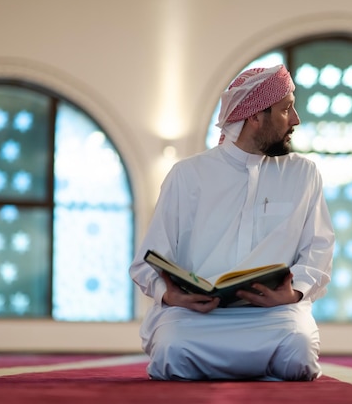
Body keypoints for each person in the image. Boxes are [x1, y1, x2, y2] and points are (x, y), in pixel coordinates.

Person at [129, 64, 335, 381]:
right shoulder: (187, 175)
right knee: (172, 350)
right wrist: (171, 296)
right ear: (255, 117)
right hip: (196, 317)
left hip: (274, 315)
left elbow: (318, 248)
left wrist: (293, 294)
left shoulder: (303, 174)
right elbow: (147, 261)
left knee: (299, 348)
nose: (295, 120)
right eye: (286, 109)